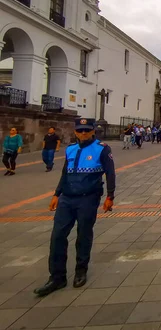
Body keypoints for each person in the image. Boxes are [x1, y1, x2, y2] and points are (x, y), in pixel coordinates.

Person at [34, 118, 115, 296]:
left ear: (93, 131)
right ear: (75, 132)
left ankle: (81, 270)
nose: (83, 133)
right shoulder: (71, 149)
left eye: (87, 130)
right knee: (57, 236)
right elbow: (65, 173)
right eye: (80, 130)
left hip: (88, 198)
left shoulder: (102, 148)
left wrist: (110, 196)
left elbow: (110, 173)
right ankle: (57, 277)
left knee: (83, 234)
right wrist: (56, 194)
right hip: (67, 198)